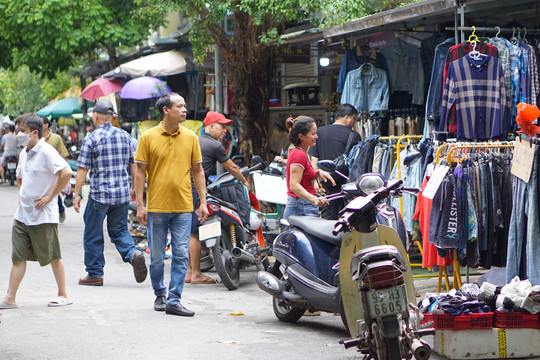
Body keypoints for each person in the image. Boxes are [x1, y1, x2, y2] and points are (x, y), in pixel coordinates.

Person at [134, 93, 209, 317]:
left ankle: (174, 299)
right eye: (179, 106)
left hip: (184, 206)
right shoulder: (147, 137)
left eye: (185, 105)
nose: (185, 110)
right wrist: (140, 204)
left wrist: (203, 201)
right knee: (157, 257)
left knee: (180, 253)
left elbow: (198, 170)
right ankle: (160, 294)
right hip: (156, 207)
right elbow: (139, 172)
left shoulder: (191, 137)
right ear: (166, 110)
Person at [0, 114, 73, 310]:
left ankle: (63, 294)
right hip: (22, 214)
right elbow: (20, 177)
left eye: (22, 131)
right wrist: (21, 194)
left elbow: (66, 172)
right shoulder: (25, 152)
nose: (18, 134)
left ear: (34, 133)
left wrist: (51, 196)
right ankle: (9, 298)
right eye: (17, 130)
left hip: (43, 215)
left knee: (53, 256)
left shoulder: (47, 151)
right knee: (18, 256)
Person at [73, 99, 147, 287]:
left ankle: (95, 274)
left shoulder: (92, 138)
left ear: (95, 116)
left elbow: (82, 169)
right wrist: (133, 188)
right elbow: (134, 165)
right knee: (120, 230)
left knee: (92, 233)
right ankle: (133, 254)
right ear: (113, 117)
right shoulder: (125, 136)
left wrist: (76, 193)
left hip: (99, 196)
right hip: (121, 195)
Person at [185, 111, 249, 285]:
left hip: (185, 189)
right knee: (196, 233)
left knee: (190, 230)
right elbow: (232, 167)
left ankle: (190, 271)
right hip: (195, 190)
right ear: (211, 126)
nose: (225, 131)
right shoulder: (214, 145)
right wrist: (245, 182)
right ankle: (196, 273)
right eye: (222, 127)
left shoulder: (195, 140)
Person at [309, 104, 361, 220]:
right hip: (347, 186)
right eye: (354, 118)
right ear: (347, 118)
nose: (354, 122)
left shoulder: (320, 132)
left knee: (328, 221)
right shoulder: (354, 135)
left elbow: (314, 159)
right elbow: (356, 165)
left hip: (325, 184)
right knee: (349, 220)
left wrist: (316, 182)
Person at [282, 116, 335, 219]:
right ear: (301, 136)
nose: (316, 137)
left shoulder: (301, 152)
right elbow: (293, 185)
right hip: (301, 205)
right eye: (313, 134)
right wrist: (314, 199)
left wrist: (317, 173)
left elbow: (302, 177)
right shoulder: (299, 154)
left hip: (303, 204)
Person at [42, 118, 70, 223]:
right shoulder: (37, 138)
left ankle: (60, 209)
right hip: (42, 171)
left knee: (55, 192)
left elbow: (63, 155)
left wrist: (65, 171)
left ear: (46, 125)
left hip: (55, 171)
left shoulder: (56, 138)